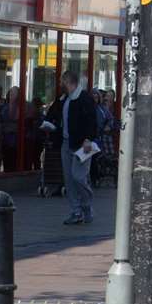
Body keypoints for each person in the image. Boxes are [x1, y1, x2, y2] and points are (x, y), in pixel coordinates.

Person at [45, 71, 99, 225]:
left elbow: (91, 120)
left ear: (69, 82)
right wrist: (48, 125)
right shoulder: (63, 99)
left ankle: (86, 206)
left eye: (62, 82)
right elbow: (53, 114)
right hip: (66, 143)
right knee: (69, 180)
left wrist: (88, 139)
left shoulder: (84, 98)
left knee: (78, 177)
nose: (60, 85)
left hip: (82, 145)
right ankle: (76, 211)